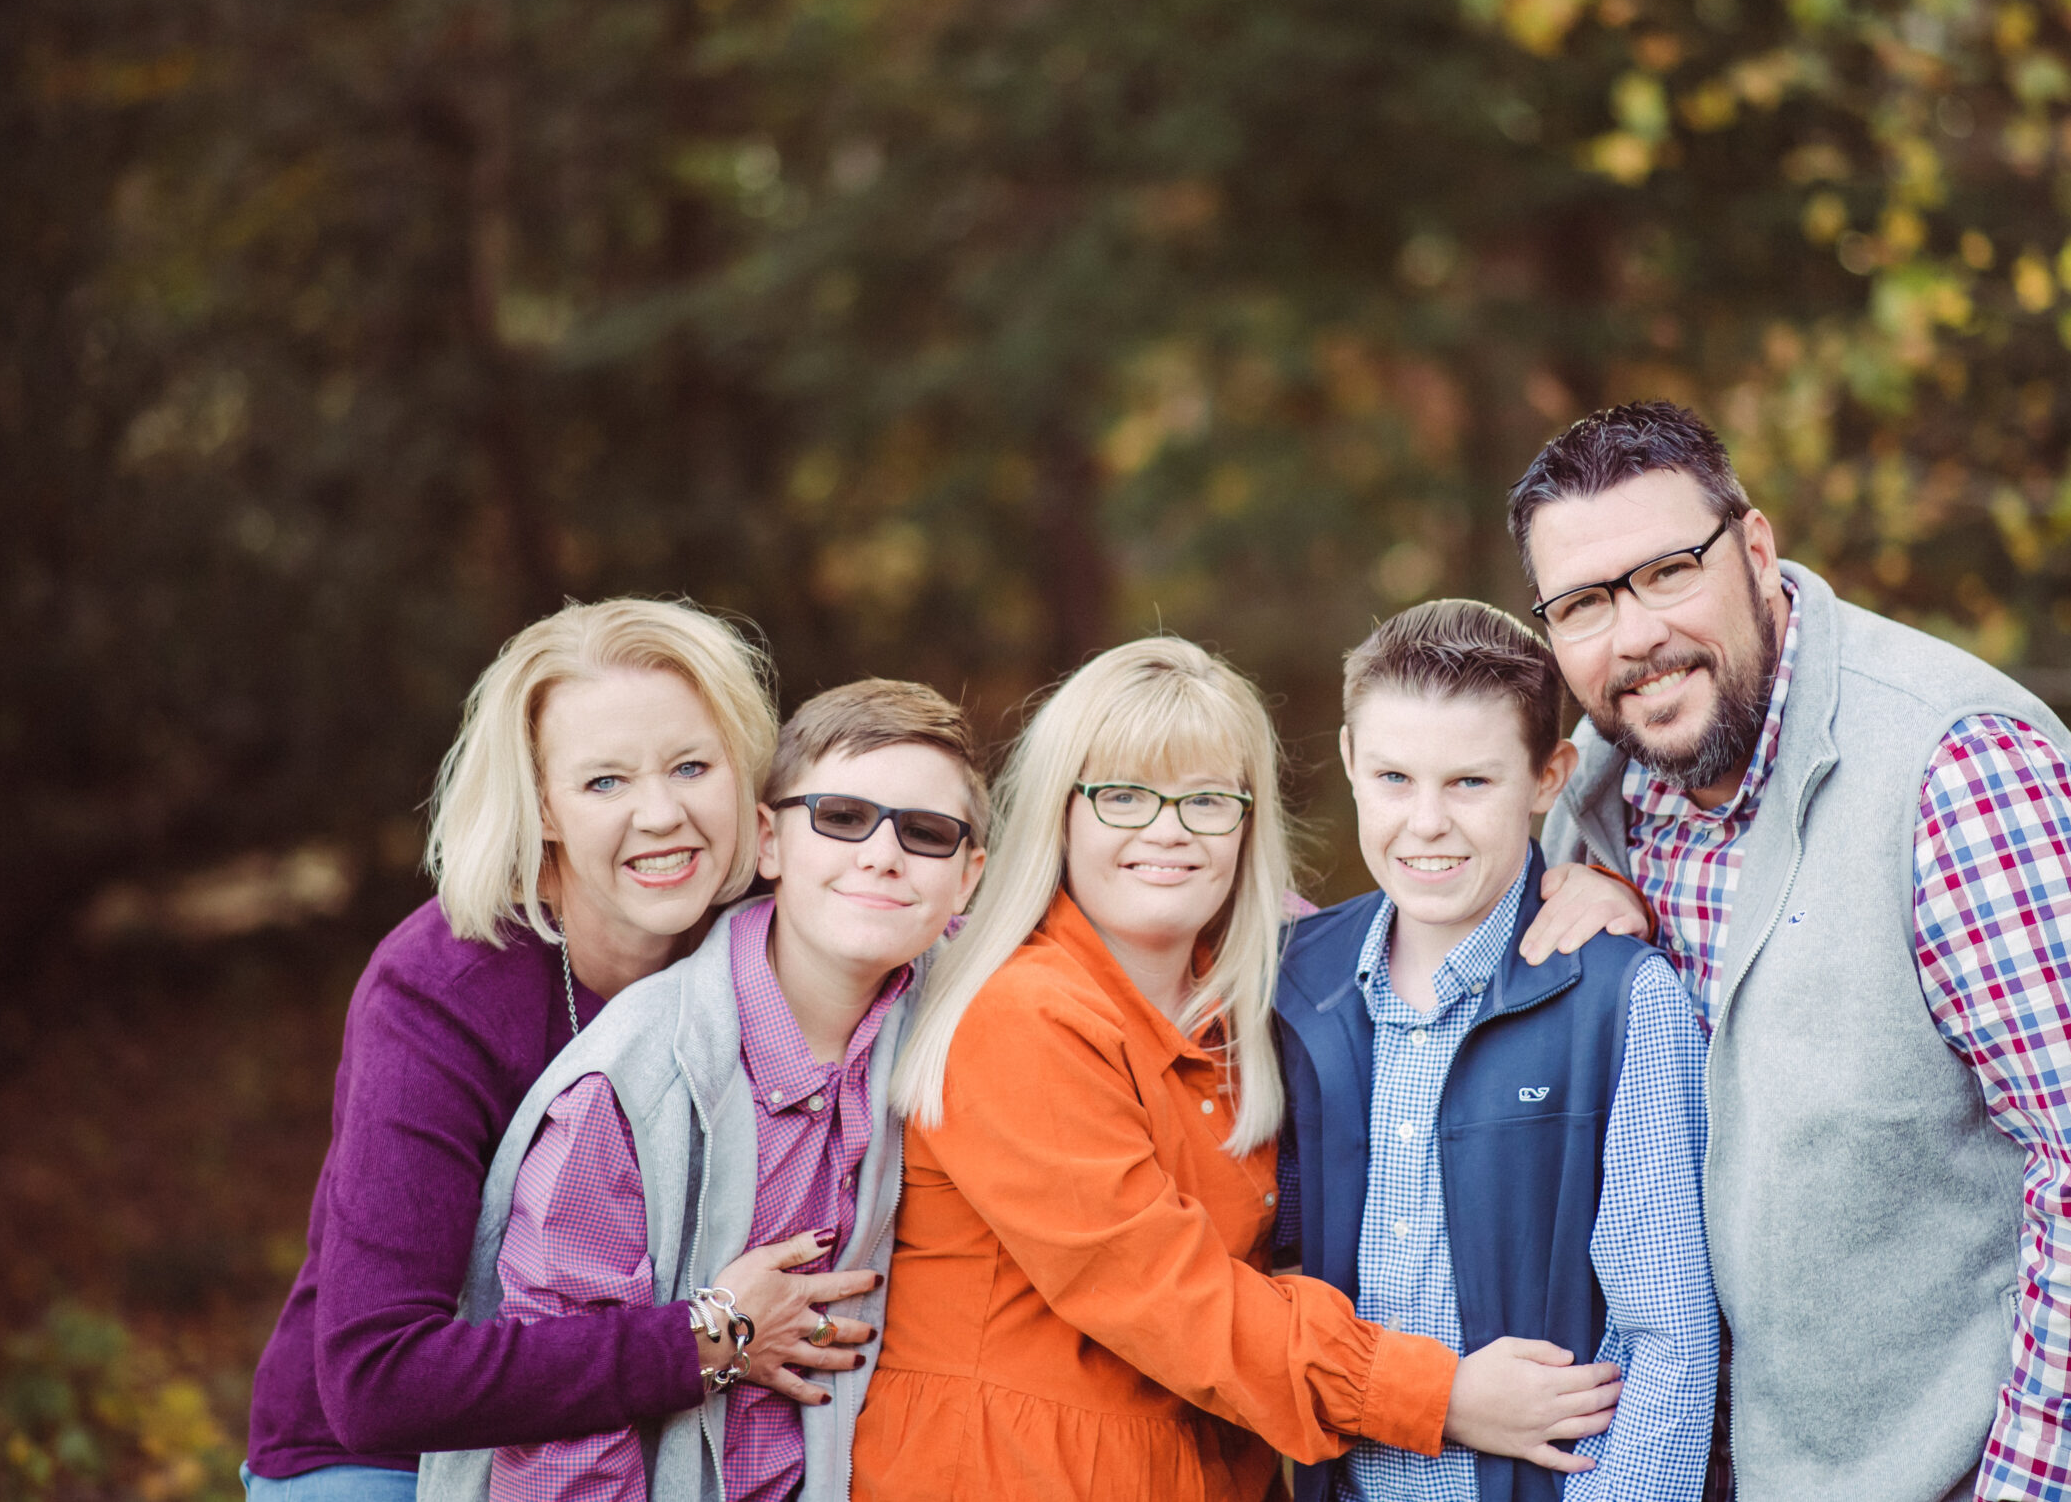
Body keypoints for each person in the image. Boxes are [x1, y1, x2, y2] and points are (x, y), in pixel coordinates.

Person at [1514, 403, 2071, 1502]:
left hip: (2016, 1472)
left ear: (1754, 550)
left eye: (1665, 572)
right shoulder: (1591, 811)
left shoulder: (1959, 775)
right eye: (1583, 603)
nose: (1633, 635)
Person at [850, 638, 1637, 1502]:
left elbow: (1414, 909)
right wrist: (1439, 1394)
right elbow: (1167, 1293)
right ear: (1060, 812)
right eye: (1123, 795)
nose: (1167, 831)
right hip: (1013, 1470)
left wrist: (1582, 890)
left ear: (1247, 820)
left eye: (1207, 801)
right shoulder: (1022, 1015)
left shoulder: (1270, 989)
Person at [245, 599, 872, 1500]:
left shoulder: (767, 950)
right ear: (542, 806)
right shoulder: (442, 988)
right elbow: (378, 1375)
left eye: (692, 766)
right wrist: (708, 1339)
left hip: (664, 1444)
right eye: (604, 782)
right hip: (384, 1462)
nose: (661, 814)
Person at [417, 680, 989, 1502]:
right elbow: (560, 1447)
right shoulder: (627, 1088)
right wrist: (716, 1330)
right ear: (769, 839)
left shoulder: (950, 1018)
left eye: (926, 832)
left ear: (968, 877)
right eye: (841, 817)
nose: (882, 854)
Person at [1277, 598, 1718, 1502]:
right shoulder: (1292, 980)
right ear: (1351, 761)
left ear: (1548, 776)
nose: (1426, 822)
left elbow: (1666, 1337)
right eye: (1395, 776)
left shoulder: (1621, 1000)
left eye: (1471, 783)